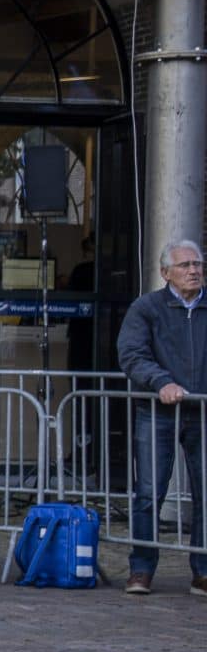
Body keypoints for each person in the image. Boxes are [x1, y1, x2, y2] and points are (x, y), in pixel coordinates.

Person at [117, 238, 206, 596]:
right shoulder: (146, 308)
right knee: (149, 493)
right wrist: (161, 382)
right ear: (165, 272)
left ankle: (203, 570)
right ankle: (141, 568)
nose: (194, 270)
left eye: (198, 264)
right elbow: (131, 354)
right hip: (158, 413)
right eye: (185, 265)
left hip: (203, 412)